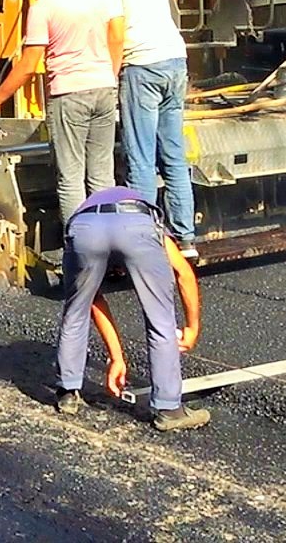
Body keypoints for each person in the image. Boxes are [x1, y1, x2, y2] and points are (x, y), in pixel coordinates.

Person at [76, 0, 199, 257]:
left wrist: (109, 76)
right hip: (174, 59)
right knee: (174, 154)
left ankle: (145, 241)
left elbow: (115, 32)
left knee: (141, 157)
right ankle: (185, 239)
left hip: (142, 64)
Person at [0, 0, 121, 222]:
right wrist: (109, 76)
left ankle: (80, 252)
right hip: (105, 89)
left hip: (70, 94)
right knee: (102, 175)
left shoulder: (44, 7)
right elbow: (116, 36)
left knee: (71, 178)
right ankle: (107, 245)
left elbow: (29, 65)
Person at [55, 184, 208, 431]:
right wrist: (192, 327)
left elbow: (93, 301)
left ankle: (68, 393)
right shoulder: (145, 216)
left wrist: (117, 358)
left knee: (76, 310)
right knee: (160, 320)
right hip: (133, 225)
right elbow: (184, 274)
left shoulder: (88, 208)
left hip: (83, 229)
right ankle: (170, 409)